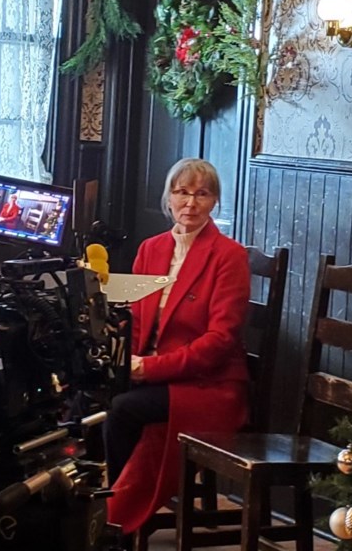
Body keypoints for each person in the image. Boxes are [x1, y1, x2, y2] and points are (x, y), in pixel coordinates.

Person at [105, 158, 250, 534]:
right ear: (168, 198)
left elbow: (219, 342)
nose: (190, 202)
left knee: (122, 410)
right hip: (152, 373)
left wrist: (146, 369)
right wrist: (120, 363)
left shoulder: (229, 256)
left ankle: (119, 520)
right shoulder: (150, 249)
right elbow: (134, 322)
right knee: (86, 396)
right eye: (182, 192)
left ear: (214, 201)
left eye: (201, 194)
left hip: (208, 386)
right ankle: (91, 507)